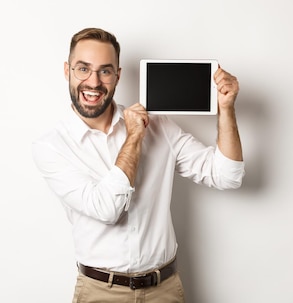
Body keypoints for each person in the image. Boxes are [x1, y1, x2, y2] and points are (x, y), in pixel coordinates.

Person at [31, 27, 245, 302]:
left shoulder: (160, 127)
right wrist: (134, 137)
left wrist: (226, 109)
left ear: (118, 75)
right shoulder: (51, 147)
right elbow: (107, 208)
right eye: (83, 69)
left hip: (164, 290)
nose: (93, 82)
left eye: (105, 71)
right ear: (67, 70)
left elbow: (227, 176)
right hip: (100, 293)